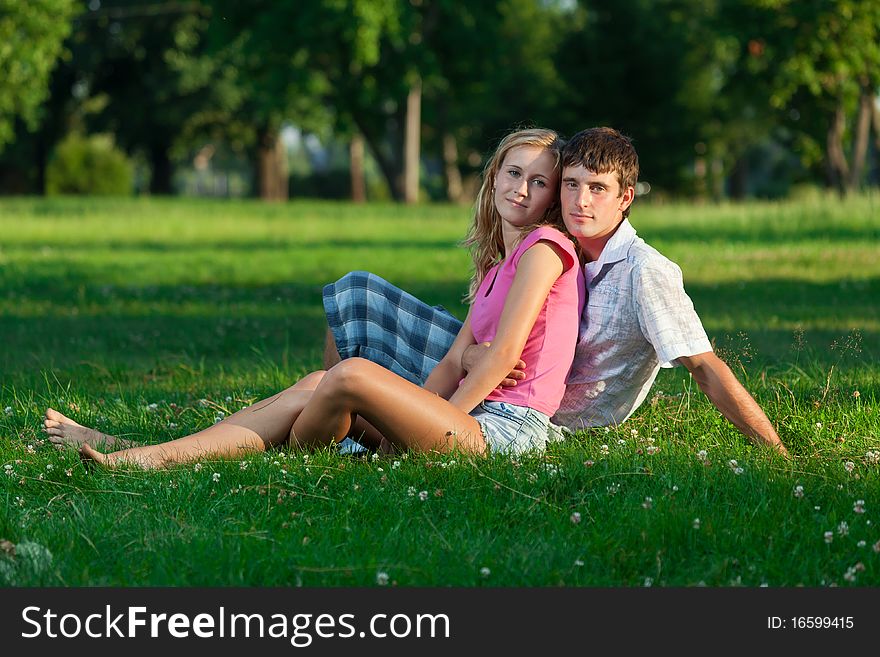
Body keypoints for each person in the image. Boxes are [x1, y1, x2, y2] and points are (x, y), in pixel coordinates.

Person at [44, 127, 585, 466]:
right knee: (315, 384)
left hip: (505, 435)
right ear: (493, 179)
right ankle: (140, 454)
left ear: (551, 196)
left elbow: (502, 359)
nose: (523, 188)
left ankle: (162, 457)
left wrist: (439, 424)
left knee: (347, 375)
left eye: (540, 182)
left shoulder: (544, 246)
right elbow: (451, 360)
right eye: (514, 173)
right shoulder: (497, 266)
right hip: (467, 420)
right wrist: (421, 412)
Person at [322, 127, 789, 456]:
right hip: (496, 377)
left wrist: (776, 453)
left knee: (360, 343)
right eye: (571, 185)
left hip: (529, 410)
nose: (581, 201)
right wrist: (467, 360)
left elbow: (704, 367)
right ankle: (334, 425)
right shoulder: (562, 243)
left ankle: (339, 427)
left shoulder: (644, 271)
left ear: (626, 198)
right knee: (357, 295)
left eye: (598, 190)